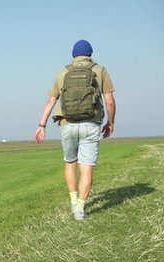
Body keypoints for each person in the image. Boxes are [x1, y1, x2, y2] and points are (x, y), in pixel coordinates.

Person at [34, 40, 116, 220]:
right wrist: (110, 123)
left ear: (73, 55)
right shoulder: (100, 71)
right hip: (91, 124)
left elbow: (51, 102)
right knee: (86, 167)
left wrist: (42, 125)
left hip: (67, 124)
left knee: (70, 162)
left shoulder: (62, 72)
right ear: (90, 54)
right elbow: (109, 101)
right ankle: (80, 209)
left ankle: (72, 201)